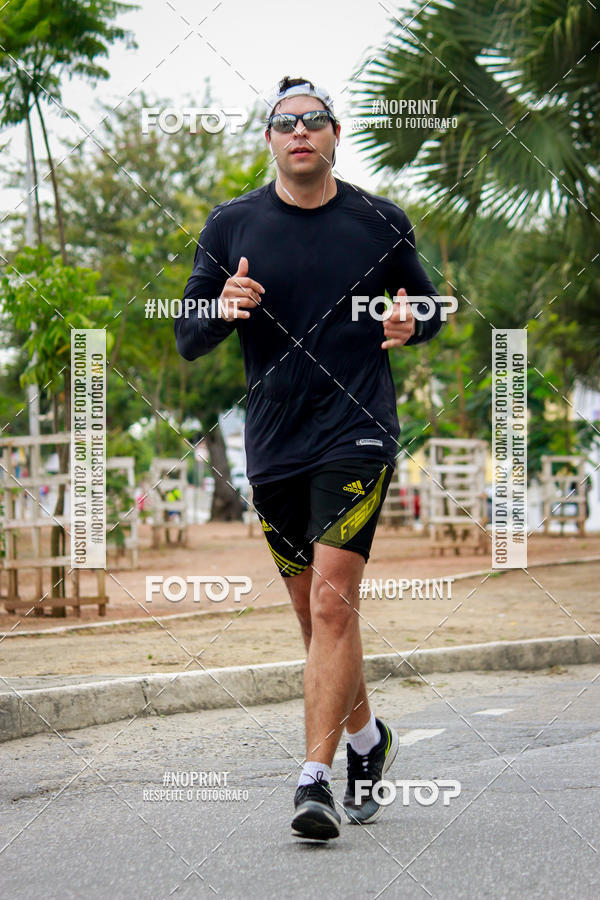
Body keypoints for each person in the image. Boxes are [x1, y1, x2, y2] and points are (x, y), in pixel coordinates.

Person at [175, 75, 445, 840]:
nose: (301, 131)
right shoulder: (231, 226)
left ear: (334, 135)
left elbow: (427, 305)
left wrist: (409, 320)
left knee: (332, 603)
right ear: (268, 137)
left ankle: (314, 781)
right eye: (285, 121)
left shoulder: (378, 221)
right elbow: (188, 336)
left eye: (315, 120)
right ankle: (368, 739)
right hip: (274, 442)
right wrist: (220, 308)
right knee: (315, 615)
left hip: (357, 429)